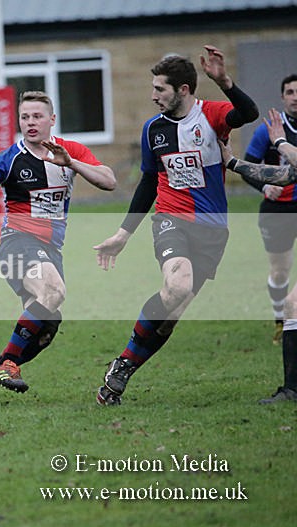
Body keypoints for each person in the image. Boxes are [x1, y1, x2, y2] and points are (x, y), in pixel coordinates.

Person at [92, 45, 259, 406]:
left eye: (160, 89)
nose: (153, 96)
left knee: (172, 314)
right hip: (171, 219)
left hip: (212, 229)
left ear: (183, 90)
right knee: (177, 285)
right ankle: (123, 364)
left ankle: (121, 369)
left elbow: (249, 113)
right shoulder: (153, 130)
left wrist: (225, 81)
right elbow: (148, 183)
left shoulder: (211, 115)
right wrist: (123, 233)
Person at [0, 91, 116, 407]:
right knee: (53, 291)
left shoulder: (69, 151)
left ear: (52, 119)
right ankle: (6, 365)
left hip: (50, 251)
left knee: (46, 328)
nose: (30, 122)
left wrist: (71, 163)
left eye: (37, 116)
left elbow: (109, 181)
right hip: (17, 243)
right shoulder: (9, 159)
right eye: (24, 117)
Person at [224, 108, 297, 403]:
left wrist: (279, 142)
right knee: (291, 303)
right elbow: (283, 175)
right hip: (276, 213)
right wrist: (233, 162)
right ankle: (292, 390)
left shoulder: (281, 140)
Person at [242, 74, 297, 344]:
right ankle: (280, 321)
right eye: (290, 92)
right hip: (278, 210)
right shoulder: (268, 130)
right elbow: (247, 167)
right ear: (282, 97)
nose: (295, 97)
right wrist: (265, 187)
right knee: (280, 270)